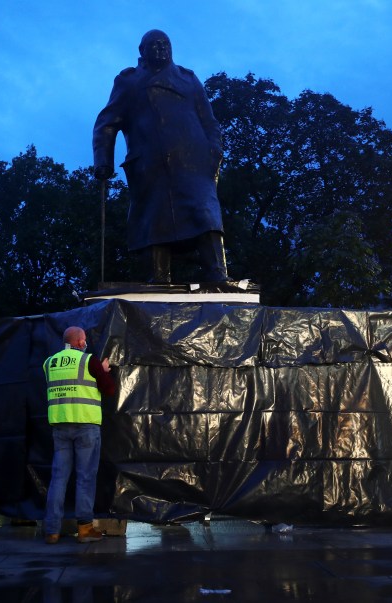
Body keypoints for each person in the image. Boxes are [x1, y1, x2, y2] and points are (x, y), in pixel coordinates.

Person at [93, 29, 229, 284]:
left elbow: (209, 122)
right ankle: (159, 278)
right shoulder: (129, 82)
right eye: (154, 45)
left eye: (165, 44)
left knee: (206, 214)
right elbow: (107, 123)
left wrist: (214, 152)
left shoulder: (189, 80)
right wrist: (103, 161)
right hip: (150, 165)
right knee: (155, 220)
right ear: (141, 50)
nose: (161, 48)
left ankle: (218, 274)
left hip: (194, 163)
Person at [42, 326, 116, 544]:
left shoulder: (49, 363)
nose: (85, 342)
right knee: (85, 477)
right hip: (86, 427)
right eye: (83, 339)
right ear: (78, 342)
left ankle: (52, 531)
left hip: (60, 426)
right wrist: (102, 371)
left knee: (58, 478)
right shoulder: (89, 361)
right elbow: (109, 389)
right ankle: (85, 529)